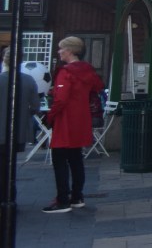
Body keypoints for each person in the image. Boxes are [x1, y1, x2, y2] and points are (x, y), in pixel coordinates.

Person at [42, 36, 103, 213]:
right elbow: (97, 87)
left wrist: (50, 116)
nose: (59, 52)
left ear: (69, 50)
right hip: (81, 119)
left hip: (66, 120)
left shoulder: (66, 72)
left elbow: (61, 100)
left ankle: (62, 200)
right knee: (76, 159)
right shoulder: (88, 70)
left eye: (61, 48)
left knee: (60, 160)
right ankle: (77, 196)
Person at [1, 47, 40, 204]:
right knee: (10, 166)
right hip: (18, 131)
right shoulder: (29, 80)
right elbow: (35, 107)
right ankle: (10, 197)